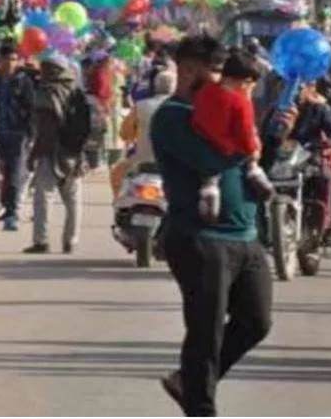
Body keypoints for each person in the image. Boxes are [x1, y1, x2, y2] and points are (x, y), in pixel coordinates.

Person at [150, 35, 275, 416]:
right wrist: (249, 132)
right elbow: (211, 160)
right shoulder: (173, 117)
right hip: (201, 237)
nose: (223, 84)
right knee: (206, 333)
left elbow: (252, 164)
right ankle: (200, 407)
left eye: (224, 74)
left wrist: (269, 134)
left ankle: (187, 382)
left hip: (245, 235)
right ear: (187, 71)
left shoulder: (230, 109)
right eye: (214, 74)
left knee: (256, 321)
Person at [189, 51, 275, 221]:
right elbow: (245, 133)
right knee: (253, 150)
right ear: (242, 79)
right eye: (249, 82)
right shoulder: (240, 102)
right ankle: (255, 173)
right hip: (230, 150)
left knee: (210, 178)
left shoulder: (205, 92)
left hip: (203, 145)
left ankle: (210, 193)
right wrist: (253, 151)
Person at [24, 55, 91, 255]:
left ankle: (41, 241)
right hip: (75, 153)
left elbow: (46, 130)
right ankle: (70, 240)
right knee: (73, 200)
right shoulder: (77, 92)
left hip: (51, 153)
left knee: (43, 198)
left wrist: (34, 154)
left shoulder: (46, 93)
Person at [0, 41, 36, 231]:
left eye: (13, 59)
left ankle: (11, 213)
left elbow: (31, 109)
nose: (9, 63)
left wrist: (30, 135)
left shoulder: (24, 81)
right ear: (0, 60)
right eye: (6, 59)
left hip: (16, 134)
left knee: (13, 175)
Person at [112, 70, 176, 197]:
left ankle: (118, 206)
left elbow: (125, 134)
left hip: (142, 162)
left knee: (117, 173)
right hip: (173, 166)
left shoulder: (140, 106)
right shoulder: (182, 107)